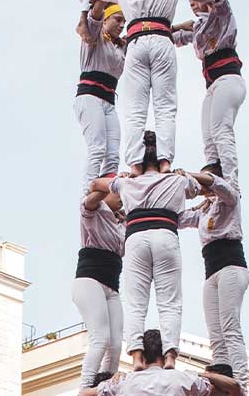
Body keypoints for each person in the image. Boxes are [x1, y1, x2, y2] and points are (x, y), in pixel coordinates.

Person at [88, 132, 209, 370]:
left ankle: (136, 358)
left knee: (136, 302)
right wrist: (183, 175)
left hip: (136, 237)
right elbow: (207, 186)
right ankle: (171, 356)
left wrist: (122, 177)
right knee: (170, 302)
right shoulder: (176, 180)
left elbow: (94, 184)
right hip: (166, 235)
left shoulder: (127, 182)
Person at [88, 0, 216, 173]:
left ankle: (135, 164)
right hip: (161, 40)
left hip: (136, 42)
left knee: (135, 108)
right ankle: (165, 161)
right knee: (165, 107)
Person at [179, 163, 249, 390]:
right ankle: (222, 377)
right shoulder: (204, 209)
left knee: (230, 327)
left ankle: (241, 382)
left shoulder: (230, 198)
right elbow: (179, 219)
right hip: (211, 270)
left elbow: (219, 185)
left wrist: (191, 175)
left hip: (231, 266)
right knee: (216, 332)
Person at [173, 0, 246, 187]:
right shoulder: (198, 27)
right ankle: (215, 167)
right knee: (209, 134)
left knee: (220, 129)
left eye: (196, 0)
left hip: (228, 79)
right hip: (213, 85)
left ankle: (231, 178)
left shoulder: (221, 16)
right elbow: (173, 36)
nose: (193, 4)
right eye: (190, 2)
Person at [79, 329, 243, 396]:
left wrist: (114, 377)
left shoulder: (123, 382)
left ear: (141, 357)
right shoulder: (185, 379)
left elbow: (83, 394)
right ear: (167, 356)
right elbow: (235, 388)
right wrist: (200, 373)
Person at [73, 182, 126, 388]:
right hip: (89, 281)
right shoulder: (93, 212)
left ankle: (107, 385)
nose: (122, 197)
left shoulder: (119, 223)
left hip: (111, 287)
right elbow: (91, 200)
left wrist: (126, 220)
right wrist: (111, 183)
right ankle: (85, 388)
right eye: (117, 192)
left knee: (115, 344)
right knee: (100, 338)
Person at [75, 2, 127, 189]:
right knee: (97, 148)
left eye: (124, 21)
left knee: (113, 155)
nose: (122, 25)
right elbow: (95, 14)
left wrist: (179, 27)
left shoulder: (122, 46)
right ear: (105, 20)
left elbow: (147, 33)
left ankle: (104, 198)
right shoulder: (95, 35)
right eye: (118, 20)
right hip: (90, 98)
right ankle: (86, 195)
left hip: (109, 102)